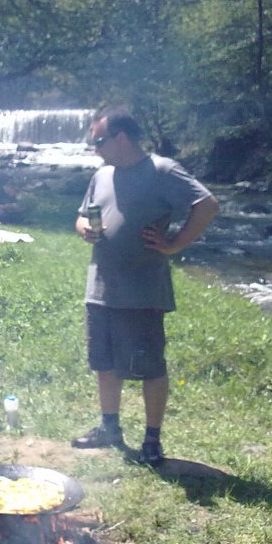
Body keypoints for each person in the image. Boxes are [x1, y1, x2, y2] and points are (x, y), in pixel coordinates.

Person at [72, 107, 219, 466]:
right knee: (103, 362)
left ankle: (152, 441)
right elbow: (80, 215)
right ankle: (109, 427)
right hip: (101, 287)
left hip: (142, 290)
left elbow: (207, 204)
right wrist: (84, 228)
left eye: (99, 141)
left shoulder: (162, 170)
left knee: (150, 366)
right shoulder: (102, 175)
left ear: (121, 137)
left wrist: (175, 244)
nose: (95, 148)